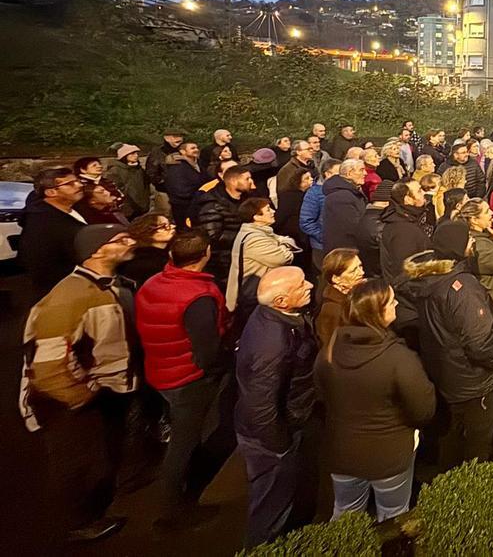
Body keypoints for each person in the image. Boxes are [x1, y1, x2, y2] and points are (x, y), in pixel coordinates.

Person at [20, 224, 139, 544]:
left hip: (102, 391)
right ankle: (79, 523)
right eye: (120, 240)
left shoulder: (107, 285)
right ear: (97, 250)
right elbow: (49, 365)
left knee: (100, 457)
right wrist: (83, 396)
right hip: (71, 402)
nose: (130, 242)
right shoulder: (69, 297)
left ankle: (92, 511)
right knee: (80, 464)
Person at [135, 230, 233, 532]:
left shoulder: (154, 283)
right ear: (205, 254)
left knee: (184, 435)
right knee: (183, 443)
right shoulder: (198, 297)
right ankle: (172, 512)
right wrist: (217, 369)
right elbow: (207, 349)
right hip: (188, 378)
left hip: (161, 371)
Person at [316, 280, 436, 522]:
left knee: (345, 515)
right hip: (388, 458)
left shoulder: (329, 350)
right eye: (391, 301)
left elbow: (321, 393)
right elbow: (424, 409)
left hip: (342, 454)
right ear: (377, 313)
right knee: (392, 517)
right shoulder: (399, 359)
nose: (397, 303)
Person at [400, 246, 493, 469]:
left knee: (450, 438)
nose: (471, 242)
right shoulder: (463, 289)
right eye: (466, 238)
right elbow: (479, 344)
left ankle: (449, 484)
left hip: (446, 376)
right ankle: (476, 486)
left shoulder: (430, 280)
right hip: (473, 381)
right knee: (478, 440)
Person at [235, 266, 317, 548]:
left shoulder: (280, 319)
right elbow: (260, 404)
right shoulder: (272, 343)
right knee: (270, 506)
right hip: (270, 439)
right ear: (281, 301)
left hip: (287, 422)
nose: (310, 285)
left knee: (284, 496)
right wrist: (279, 446)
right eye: (301, 285)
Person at [19, 166, 87, 297]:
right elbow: (40, 266)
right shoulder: (42, 223)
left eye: (77, 180)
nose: (79, 185)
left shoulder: (75, 208)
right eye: (70, 184)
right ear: (51, 193)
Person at [226, 198, 298, 320]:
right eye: (268, 210)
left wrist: (281, 245)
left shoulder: (263, 233)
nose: (274, 211)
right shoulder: (255, 239)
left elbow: (288, 240)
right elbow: (282, 258)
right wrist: (284, 247)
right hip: (254, 296)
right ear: (256, 217)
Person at [458, 199, 493, 334]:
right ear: (474, 220)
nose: (492, 213)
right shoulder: (479, 246)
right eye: (487, 211)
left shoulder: (485, 237)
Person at [195, 164, 255, 285]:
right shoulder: (212, 205)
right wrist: (245, 237)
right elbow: (212, 236)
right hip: (224, 262)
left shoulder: (246, 198)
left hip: (243, 256)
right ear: (233, 181)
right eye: (247, 179)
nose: (251, 182)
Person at [379, 181, 434, 291]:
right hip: (410, 296)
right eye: (419, 191)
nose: (423, 193)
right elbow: (405, 272)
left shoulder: (409, 219)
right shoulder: (402, 231)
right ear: (407, 199)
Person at [315, 249, 366, 347]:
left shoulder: (357, 291)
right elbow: (331, 345)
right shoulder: (333, 310)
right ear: (336, 279)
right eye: (353, 271)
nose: (361, 272)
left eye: (360, 266)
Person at [322, 158, 368, 251]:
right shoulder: (340, 198)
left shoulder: (351, 193)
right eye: (361, 170)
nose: (365, 173)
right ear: (349, 174)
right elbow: (352, 227)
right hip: (345, 252)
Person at [300, 159, 340, 265]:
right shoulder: (315, 193)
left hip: (342, 245)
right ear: (327, 174)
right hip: (322, 247)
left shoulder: (345, 191)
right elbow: (306, 221)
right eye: (339, 173)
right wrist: (324, 237)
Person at [122, 211, 175, 286]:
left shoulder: (170, 250)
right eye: (164, 226)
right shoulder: (143, 263)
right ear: (147, 232)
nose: (173, 226)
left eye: (170, 224)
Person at [353, 178, 392, 279]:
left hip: (371, 274)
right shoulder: (379, 224)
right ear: (387, 203)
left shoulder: (366, 217)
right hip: (378, 277)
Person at [163, 141, 204, 227]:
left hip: (197, 204)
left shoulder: (199, 164)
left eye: (197, 148)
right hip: (183, 207)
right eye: (192, 148)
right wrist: (200, 193)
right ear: (182, 151)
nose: (196, 150)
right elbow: (178, 189)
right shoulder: (176, 167)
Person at [105, 144, 151, 218]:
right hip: (128, 208)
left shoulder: (138, 169)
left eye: (136, 153)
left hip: (142, 205)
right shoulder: (115, 170)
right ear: (124, 156)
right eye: (132, 154)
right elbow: (115, 189)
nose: (136, 156)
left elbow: (145, 185)